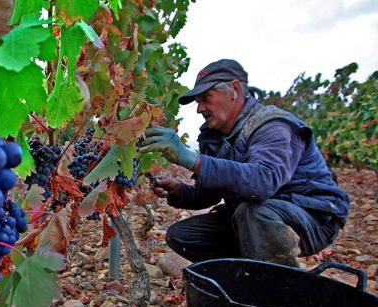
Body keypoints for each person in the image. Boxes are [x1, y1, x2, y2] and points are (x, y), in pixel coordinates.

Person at [139, 59, 349, 267]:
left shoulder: (272, 125)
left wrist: (192, 159)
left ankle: (277, 288)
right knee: (184, 235)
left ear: (235, 89)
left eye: (206, 98)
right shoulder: (214, 136)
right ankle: (241, 275)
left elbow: (262, 182)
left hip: (311, 216)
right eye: (198, 102)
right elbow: (209, 194)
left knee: (253, 212)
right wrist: (179, 190)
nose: (200, 108)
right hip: (255, 216)